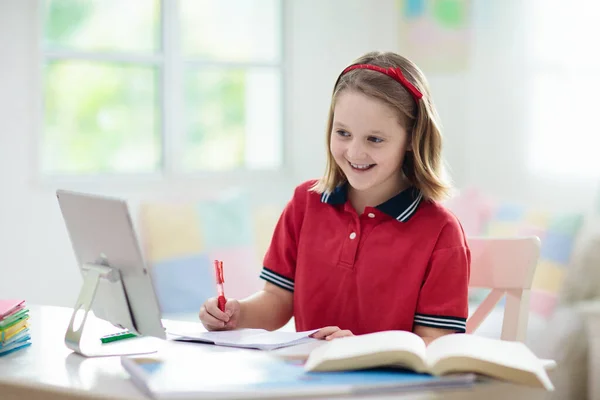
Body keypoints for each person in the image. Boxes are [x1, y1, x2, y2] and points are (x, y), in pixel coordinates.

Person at [199, 51, 470, 345]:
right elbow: (277, 299)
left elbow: (436, 343)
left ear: (411, 139)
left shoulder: (442, 233)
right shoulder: (305, 204)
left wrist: (359, 349)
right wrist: (238, 314)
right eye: (343, 133)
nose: (354, 152)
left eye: (374, 139)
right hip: (308, 383)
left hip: (389, 390)